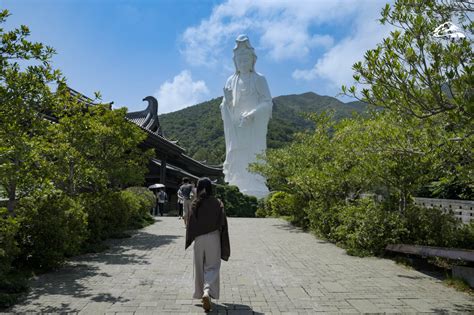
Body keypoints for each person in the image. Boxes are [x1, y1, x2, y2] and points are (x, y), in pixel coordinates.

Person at [220, 34, 272, 198]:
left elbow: (267, 102)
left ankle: (255, 183)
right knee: (237, 155)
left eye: (246, 59)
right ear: (235, 61)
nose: (243, 63)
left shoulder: (259, 79)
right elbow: (224, 105)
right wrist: (227, 103)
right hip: (236, 127)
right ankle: (236, 183)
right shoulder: (231, 80)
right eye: (239, 60)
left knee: (253, 155)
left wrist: (253, 113)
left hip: (253, 127)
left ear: (252, 60)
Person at [185, 177, 230, 312]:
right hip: (213, 238)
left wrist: (190, 239)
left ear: (198, 188)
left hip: (199, 239)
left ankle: (201, 293)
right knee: (212, 266)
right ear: (211, 188)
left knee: (199, 267)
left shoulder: (195, 203)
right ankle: (207, 290)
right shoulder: (217, 202)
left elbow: (190, 223)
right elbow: (223, 222)